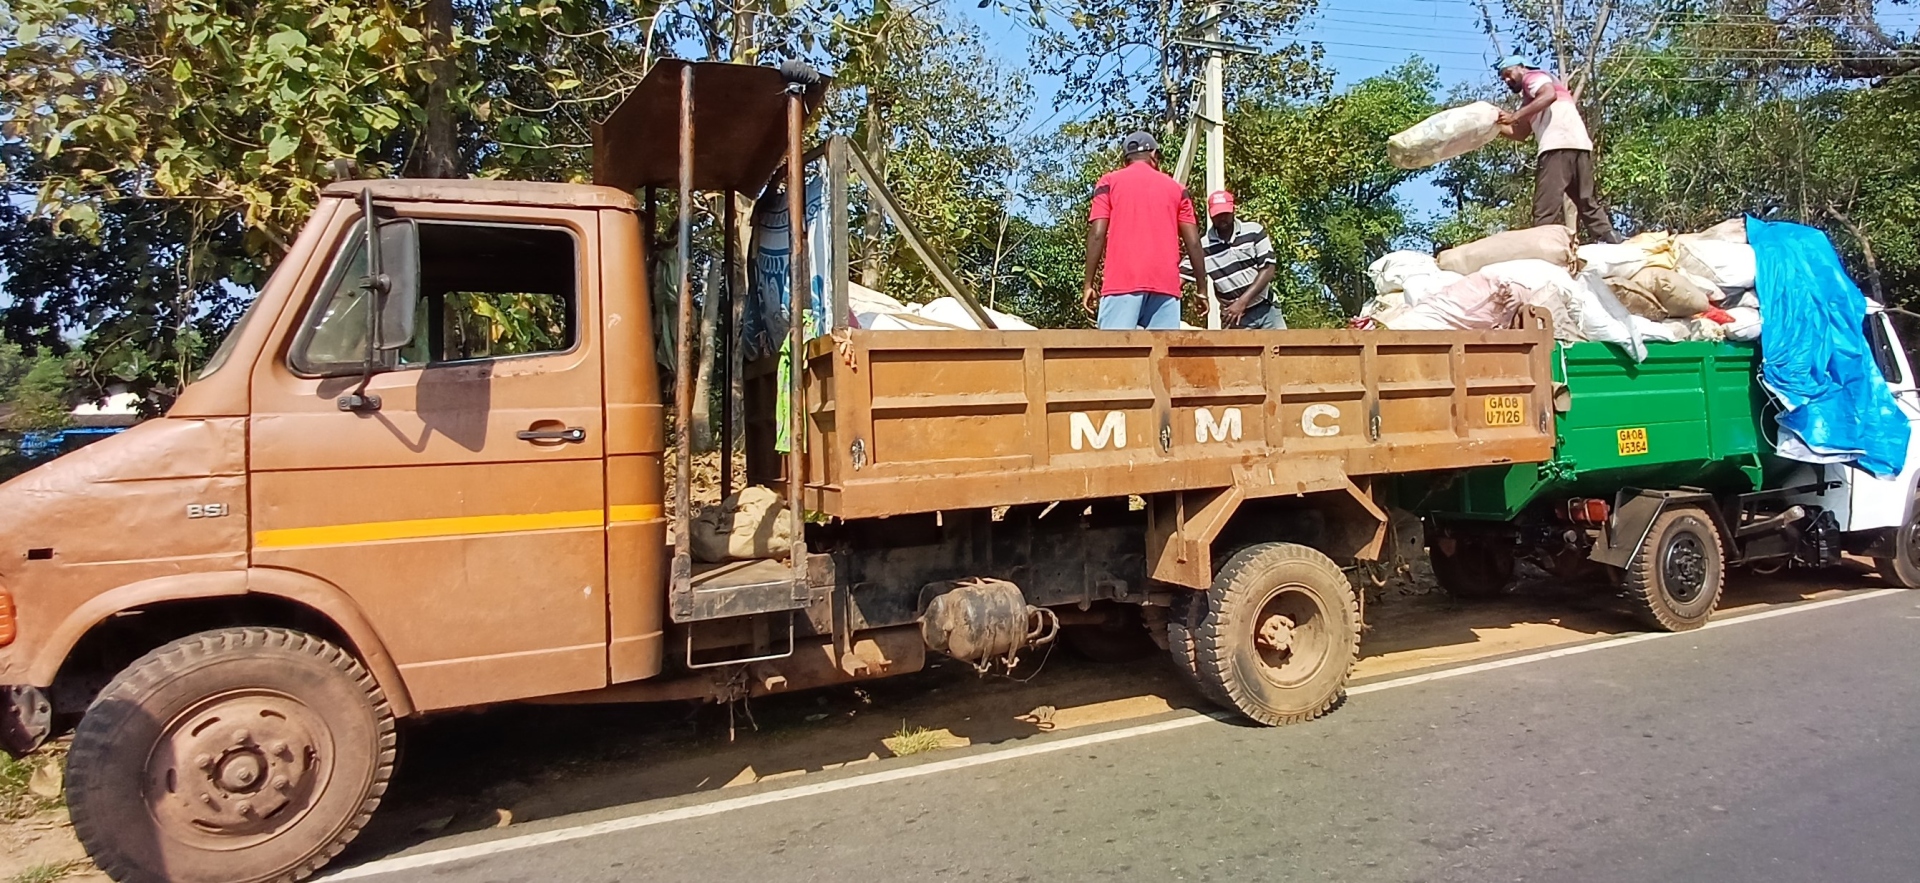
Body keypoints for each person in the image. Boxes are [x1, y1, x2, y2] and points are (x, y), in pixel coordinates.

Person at [1084, 131, 1212, 329]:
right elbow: (1193, 242)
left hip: (1122, 282)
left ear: (1126, 158)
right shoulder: (1177, 189)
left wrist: (1088, 284)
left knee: (1115, 355)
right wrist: (1202, 289)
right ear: (1153, 154)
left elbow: (1097, 234)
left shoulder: (1109, 182)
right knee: (1161, 357)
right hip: (1165, 286)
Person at [1494, 55, 1622, 245]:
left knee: (1545, 208)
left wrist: (1515, 115)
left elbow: (1549, 95)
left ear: (1521, 67)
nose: (1506, 80)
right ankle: (1613, 240)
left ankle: (1543, 251)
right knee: (1587, 202)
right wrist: (1492, 127)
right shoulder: (1531, 100)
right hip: (1579, 145)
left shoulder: (1533, 77)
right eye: (1503, 77)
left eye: (1508, 74)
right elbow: (1519, 133)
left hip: (1556, 145)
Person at [1180, 190, 1284, 329]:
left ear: (1233, 209)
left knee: (1280, 349)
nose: (1222, 218)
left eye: (1225, 213)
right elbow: (1179, 277)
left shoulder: (1254, 231)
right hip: (1234, 319)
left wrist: (1242, 302)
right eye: (1218, 215)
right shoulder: (1203, 247)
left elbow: (1268, 269)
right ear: (1210, 215)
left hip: (1266, 310)